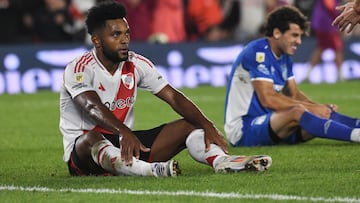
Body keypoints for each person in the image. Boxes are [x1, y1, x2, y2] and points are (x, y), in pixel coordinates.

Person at [59, 1, 272, 177]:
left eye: (127, 33)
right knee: (92, 139)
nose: (124, 40)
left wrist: (207, 125)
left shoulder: (137, 64)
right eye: (116, 35)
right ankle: (150, 171)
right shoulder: (79, 68)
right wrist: (123, 131)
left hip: (126, 145)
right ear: (96, 40)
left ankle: (222, 161)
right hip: (84, 158)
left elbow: (174, 97)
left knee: (190, 125)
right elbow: (91, 106)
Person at [224, 5, 360, 147]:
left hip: (272, 123)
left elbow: (293, 94)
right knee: (297, 112)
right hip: (244, 129)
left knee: (322, 113)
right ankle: (355, 135)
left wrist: (318, 107)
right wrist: (312, 108)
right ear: (277, 33)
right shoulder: (257, 52)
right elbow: (268, 99)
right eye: (295, 35)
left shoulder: (284, 56)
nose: (299, 41)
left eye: (300, 36)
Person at [304, 0, 344, 83]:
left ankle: (307, 75)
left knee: (320, 48)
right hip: (327, 24)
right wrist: (339, 19)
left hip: (321, 23)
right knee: (337, 48)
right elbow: (329, 5)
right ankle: (341, 76)